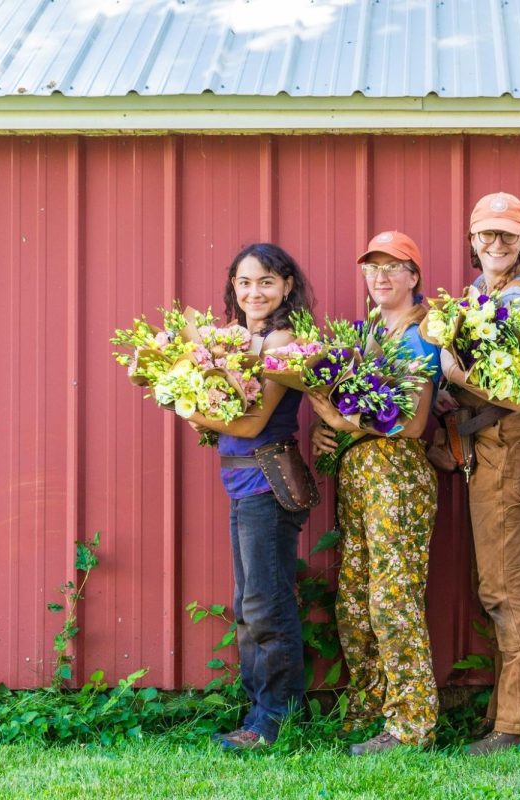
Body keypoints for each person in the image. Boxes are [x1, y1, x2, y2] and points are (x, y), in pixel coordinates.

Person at [308, 231, 442, 755]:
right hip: (357, 471)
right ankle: (370, 707)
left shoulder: (425, 331)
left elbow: (413, 424)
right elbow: (345, 416)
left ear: (414, 275)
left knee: (392, 598)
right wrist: (328, 432)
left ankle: (412, 725)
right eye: (372, 268)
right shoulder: (362, 336)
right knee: (355, 600)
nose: (381, 276)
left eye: (393, 266)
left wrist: (343, 424)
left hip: (398, 472)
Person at [188, 242, 316, 750]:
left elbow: (256, 420)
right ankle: (261, 711)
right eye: (244, 282)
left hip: (267, 481)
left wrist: (191, 410)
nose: (253, 291)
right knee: (248, 604)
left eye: (265, 281)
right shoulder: (239, 340)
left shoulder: (283, 342)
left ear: (286, 286)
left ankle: (277, 720)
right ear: (233, 287)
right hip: (241, 482)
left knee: (267, 603)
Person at [436, 192, 520, 755]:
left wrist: (459, 378)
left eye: (508, 235)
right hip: (487, 447)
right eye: (488, 234)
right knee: (494, 586)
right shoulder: (478, 296)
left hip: (510, 448)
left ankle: (518, 724)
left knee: (505, 588)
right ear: (472, 240)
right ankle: (505, 714)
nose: (497, 244)